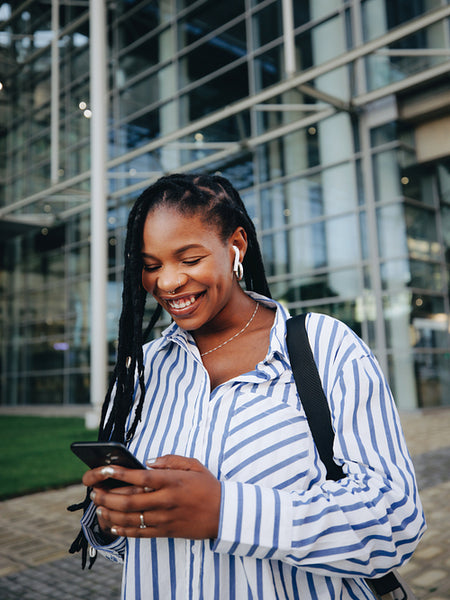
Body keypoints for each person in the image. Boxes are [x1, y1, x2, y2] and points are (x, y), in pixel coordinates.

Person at [71, 173, 425, 599]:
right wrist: (120, 516)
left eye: (188, 259)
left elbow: (394, 522)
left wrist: (223, 511)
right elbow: (129, 550)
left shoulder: (324, 347)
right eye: (151, 266)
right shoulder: (143, 370)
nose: (166, 283)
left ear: (236, 246)